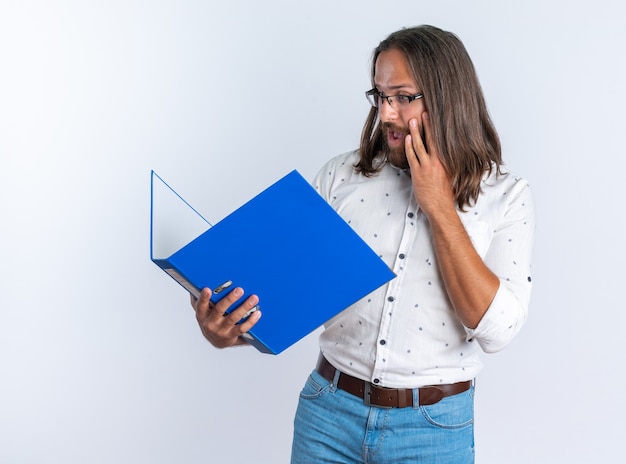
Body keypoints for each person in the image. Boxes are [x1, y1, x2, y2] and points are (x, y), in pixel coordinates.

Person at [191, 24, 534, 463]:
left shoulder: (507, 196)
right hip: (327, 418)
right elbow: (287, 293)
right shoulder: (340, 176)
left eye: (403, 97)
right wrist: (230, 330)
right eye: (379, 95)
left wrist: (440, 207)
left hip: (433, 433)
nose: (386, 114)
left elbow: (498, 331)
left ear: (447, 97)